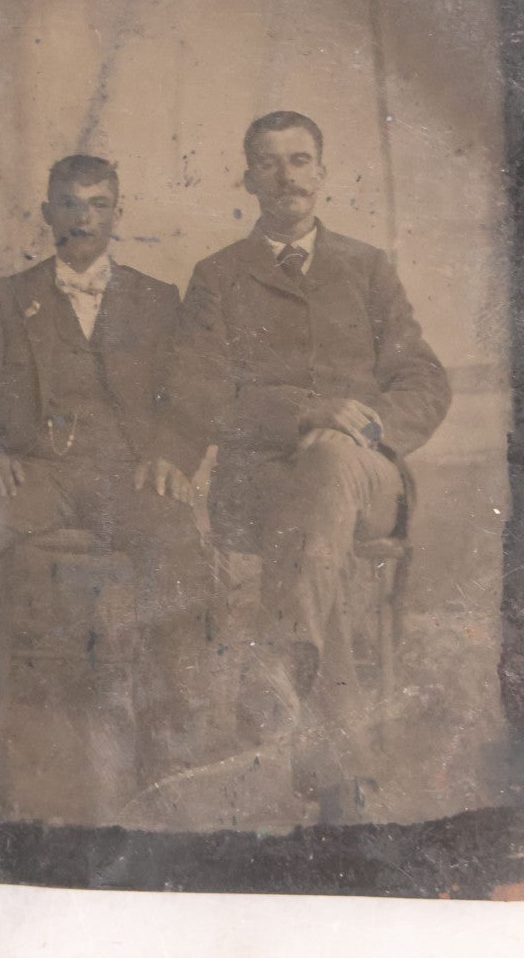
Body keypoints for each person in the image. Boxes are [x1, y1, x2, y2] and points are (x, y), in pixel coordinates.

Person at [154, 111, 452, 819]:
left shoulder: (367, 267)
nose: (286, 176)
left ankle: (281, 656)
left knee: (330, 470)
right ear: (247, 178)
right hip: (263, 484)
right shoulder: (218, 277)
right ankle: (339, 786)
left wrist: (363, 429)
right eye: (269, 162)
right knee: (315, 536)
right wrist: (307, 414)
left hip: (367, 473)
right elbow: (200, 395)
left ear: (321, 173)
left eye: (299, 160)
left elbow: (423, 381)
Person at [0, 154, 211, 795]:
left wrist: (171, 457)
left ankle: (168, 741)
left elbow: (189, 397)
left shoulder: (156, 298)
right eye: (69, 204)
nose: (83, 218)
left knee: (178, 536)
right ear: (47, 213)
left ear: (118, 213)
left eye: (97, 204)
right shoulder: (6, 299)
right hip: (39, 474)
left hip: (127, 477)